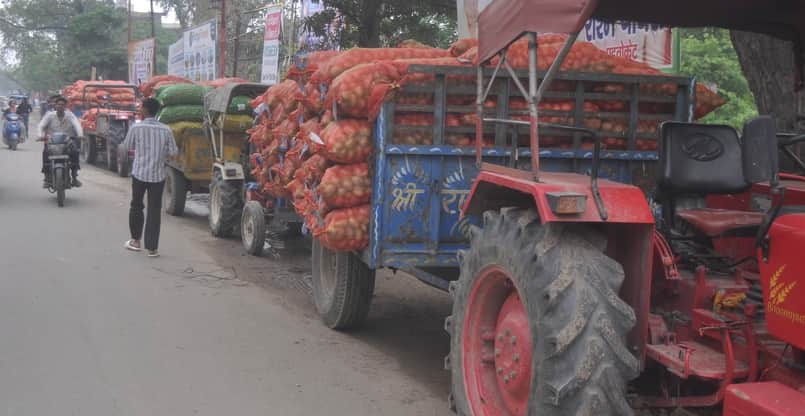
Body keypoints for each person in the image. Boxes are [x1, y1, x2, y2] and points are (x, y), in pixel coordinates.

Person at [122, 97, 178, 257]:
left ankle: (135, 241)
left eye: (141, 107)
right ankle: (152, 248)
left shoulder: (136, 128)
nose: (139, 110)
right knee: (154, 210)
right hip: (158, 176)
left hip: (139, 174)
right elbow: (174, 152)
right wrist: (162, 155)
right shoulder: (166, 129)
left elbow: (126, 147)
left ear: (146, 110)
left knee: (137, 206)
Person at [37, 96, 83, 188]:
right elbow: (41, 126)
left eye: (62, 105)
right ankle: (47, 178)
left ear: (65, 106)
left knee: (75, 153)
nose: (60, 106)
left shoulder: (70, 115)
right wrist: (40, 135)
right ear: (55, 105)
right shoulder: (50, 115)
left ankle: (74, 177)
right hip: (52, 142)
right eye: (58, 104)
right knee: (45, 154)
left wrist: (80, 135)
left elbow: (77, 125)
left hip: (67, 141)